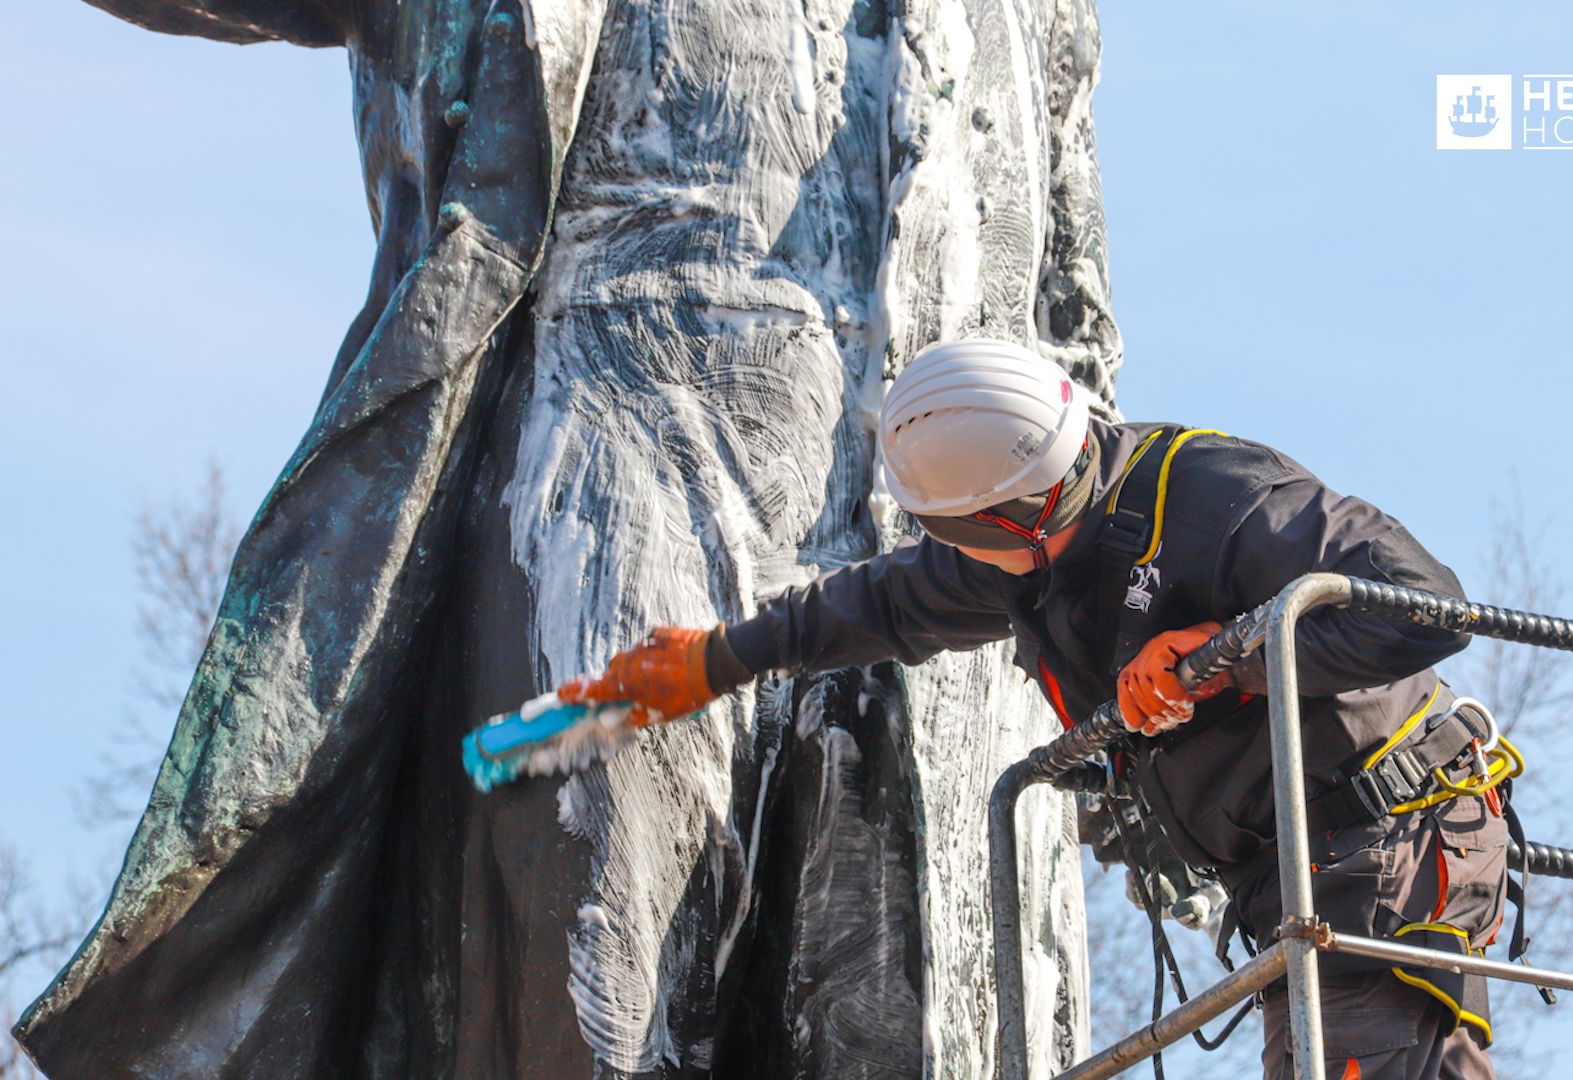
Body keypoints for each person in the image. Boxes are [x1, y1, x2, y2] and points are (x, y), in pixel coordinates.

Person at [564, 338, 1514, 1080]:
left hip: (1389, 839)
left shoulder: (1214, 497)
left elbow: (1423, 606)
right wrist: (718, 659)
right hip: (1300, 876)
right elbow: (887, 602)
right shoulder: (1032, 561)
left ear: (1004, 516)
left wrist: (1227, 656)